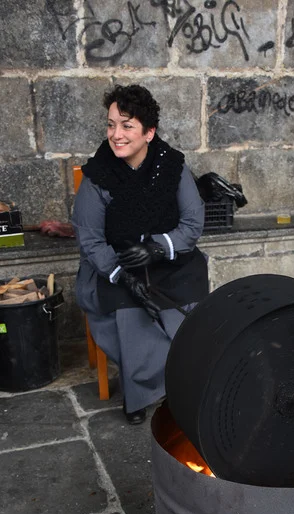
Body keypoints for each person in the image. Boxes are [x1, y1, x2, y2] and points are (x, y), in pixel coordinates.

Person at [72, 84, 208, 424]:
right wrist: (122, 275)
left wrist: (158, 247)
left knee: (184, 305)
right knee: (131, 313)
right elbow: (90, 240)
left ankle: (176, 380)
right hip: (115, 266)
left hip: (166, 260)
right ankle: (138, 394)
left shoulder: (172, 167)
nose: (116, 135)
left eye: (126, 125)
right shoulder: (97, 176)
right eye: (111, 125)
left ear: (149, 132)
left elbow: (192, 223)